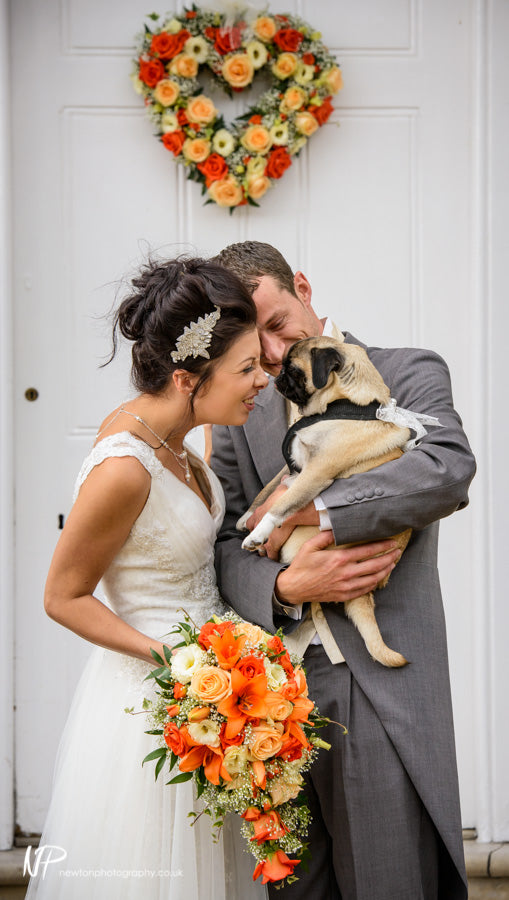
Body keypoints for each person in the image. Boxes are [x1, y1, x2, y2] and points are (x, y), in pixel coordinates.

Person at [210, 241, 476, 900]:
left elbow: (444, 469)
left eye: (277, 324)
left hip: (372, 691)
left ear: (301, 284)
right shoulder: (240, 413)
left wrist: (312, 513)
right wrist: (280, 587)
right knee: (293, 890)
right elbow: (223, 540)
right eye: (252, 338)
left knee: (388, 881)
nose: (271, 355)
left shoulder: (404, 369)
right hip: (271, 697)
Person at [26, 258, 269, 900]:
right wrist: (176, 662)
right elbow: (62, 597)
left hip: (210, 698)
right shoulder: (124, 468)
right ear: (188, 378)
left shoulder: (183, 433)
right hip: (154, 702)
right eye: (246, 369)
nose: (261, 381)